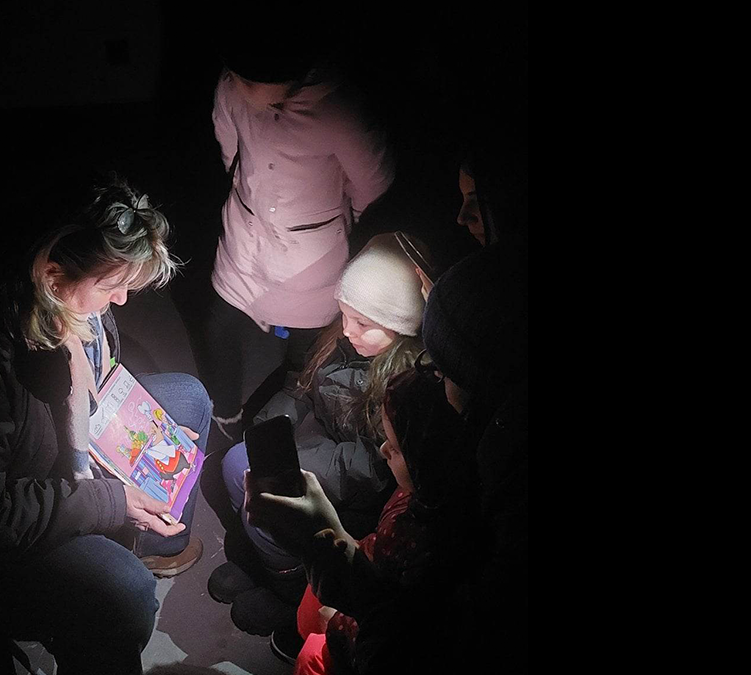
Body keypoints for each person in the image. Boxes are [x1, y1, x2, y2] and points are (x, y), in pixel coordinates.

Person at [0, 178, 211, 675]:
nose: (120, 301)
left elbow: (95, 381)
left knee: (187, 398)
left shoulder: (64, 303)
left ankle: (151, 540)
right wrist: (107, 500)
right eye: (112, 285)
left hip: (52, 449)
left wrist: (145, 429)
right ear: (53, 278)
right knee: (122, 595)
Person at [208, 233, 425, 635]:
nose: (346, 330)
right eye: (343, 315)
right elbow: (300, 386)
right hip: (316, 443)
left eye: (362, 323)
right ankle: (267, 559)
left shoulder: (402, 385)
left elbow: (369, 466)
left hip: (352, 490)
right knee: (239, 466)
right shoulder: (343, 341)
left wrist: (297, 462)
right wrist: (272, 426)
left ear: (400, 327)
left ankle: (290, 588)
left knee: (256, 483)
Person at [198, 34, 396, 454]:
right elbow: (227, 140)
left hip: (311, 250)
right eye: (235, 76)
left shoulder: (339, 107)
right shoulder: (233, 86)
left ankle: (289, 410)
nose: (239, 88)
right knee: (221, 322)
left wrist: (339, 221)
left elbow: (372, 181)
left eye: (251, 81)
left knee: (307, 342)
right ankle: (226, 416)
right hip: (245, 232)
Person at [245, 368, 475, 673]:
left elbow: (393, 625)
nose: (383, 450)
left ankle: (309, 643)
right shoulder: (416, 493)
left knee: (313, 656)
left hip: (364, 637)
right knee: (311, 606)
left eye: (395, 447)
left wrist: (340, 619)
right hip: (373, 567)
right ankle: (301, 632)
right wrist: (336, 539)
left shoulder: (434, 545)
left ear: (428, 460)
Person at [419, 241, 527, 672]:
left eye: (443, 372)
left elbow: (464, 629)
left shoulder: (507, 486)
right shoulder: (500, 443)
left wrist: (338, 562)